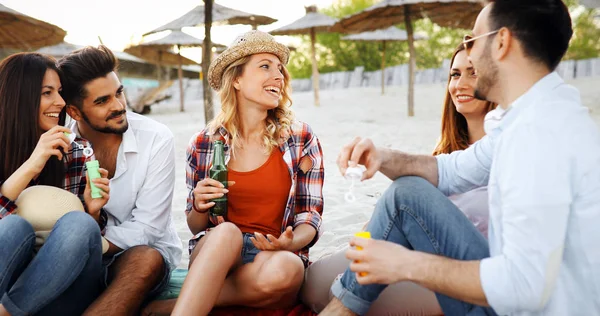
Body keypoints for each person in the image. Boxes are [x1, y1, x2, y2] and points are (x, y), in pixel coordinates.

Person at [321, 1, 600, 315]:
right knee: (406, 193)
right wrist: (382, 157)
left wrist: (406, 265)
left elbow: (523, 289)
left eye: (473, 40)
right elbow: (450, 170)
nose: (469, 51)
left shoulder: (539, 135)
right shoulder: (532, 116)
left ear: (502, 42)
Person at [301, 44, 497, 315]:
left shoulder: (501, 151)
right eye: (455, 74)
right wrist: (370, 239)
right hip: (411, 251)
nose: (460, 84)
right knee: (313, 283)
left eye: (472, 73)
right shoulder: (444, 156)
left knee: (344, 289)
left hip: (458, 272)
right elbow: (398, 217)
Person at [153, 30, 324, 316]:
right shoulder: (204, 142)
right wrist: (198, 203)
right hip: (218, 253)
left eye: (280, 68)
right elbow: (197, 226)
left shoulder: (300, 138)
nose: (278, 75)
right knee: (227, 232)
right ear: (237, 80)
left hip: (271, 256)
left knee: (289, 268)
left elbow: (310, 216)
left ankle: (187, 302)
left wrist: (290, 242)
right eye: (265, 66)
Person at [57, 45, 182, 315]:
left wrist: (91, 244)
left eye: (119, 93)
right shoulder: (59, 144)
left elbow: (149, 227)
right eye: (102, 101)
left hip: (139, 256)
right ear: (75, 112)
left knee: (145, 259)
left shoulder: (156, 137)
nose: (118, 106)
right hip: (74, 258)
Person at [0, 52, 110, 315]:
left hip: (65, 287)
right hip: (9, 277)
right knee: (13, 226)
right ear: (19, 96)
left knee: (80, 222)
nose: (60, 102)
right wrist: (30, 166)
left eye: (59, 92)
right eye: (47, 92)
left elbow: (86, 241)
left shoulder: (77, 151)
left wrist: (93, 211)